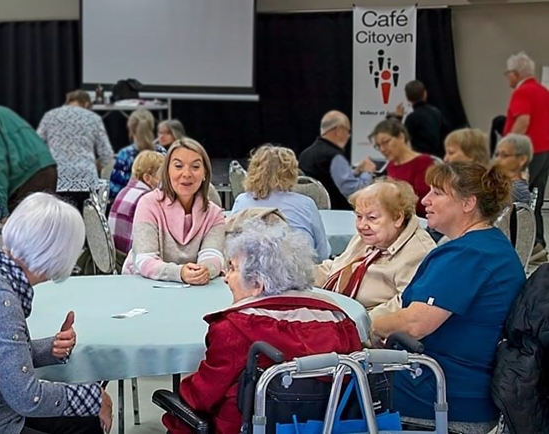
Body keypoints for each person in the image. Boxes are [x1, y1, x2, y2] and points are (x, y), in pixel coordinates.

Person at [162, 219, 362, 434]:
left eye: (233, 269)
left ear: (257, 284)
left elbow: (202, 395)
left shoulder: (235, 328)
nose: (226, 278)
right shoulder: (338, 319)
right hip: (330, 427)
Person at [0, 193, 112, 434]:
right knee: (88, 414)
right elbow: (27, 397)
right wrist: (95, 397)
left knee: (85, 418)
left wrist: (50, 349)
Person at [372, 162, 524, 432]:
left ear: (468, 203)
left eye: (438, 192)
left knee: (326, 387)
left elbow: (415, 324)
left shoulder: (467, 255)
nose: (425, 200)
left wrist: (365, 326)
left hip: (441, 392)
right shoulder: (494, 246)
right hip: (466, 387)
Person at [316, 179, 435, 319]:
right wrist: (300, 277)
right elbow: (336, 267)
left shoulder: (418, 252)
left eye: (372, 218)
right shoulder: (369, 237)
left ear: (398, 218)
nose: (362, 226)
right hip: (333, 308)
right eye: (359, 216)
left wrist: (358, 322)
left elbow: (403, 305)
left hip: (365, 322)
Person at [122, 138, 225, 284]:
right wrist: (179, 273)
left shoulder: (215, 214)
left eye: (195, 167)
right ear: (167, 171)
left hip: (195, 289)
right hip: (143, 285)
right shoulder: (148, 204)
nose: (186, 174)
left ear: (205, 173)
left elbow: (213, 253)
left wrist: (204, 270)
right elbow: (145, 259)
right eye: (178, 166)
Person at [232, 144, 331, 262]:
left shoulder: (241, 201)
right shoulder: (307, 204)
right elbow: (322, 253)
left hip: (250, 269)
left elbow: (229, 244)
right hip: (297, 270)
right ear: (292, 173)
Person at [38, 90, 114, 212]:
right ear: (86, 103)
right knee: (81, 220)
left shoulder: (50, 116)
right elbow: (106, 153)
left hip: (56, 177)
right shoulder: (93, 118)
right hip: (85, 178)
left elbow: (37, 145)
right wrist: (97, 165)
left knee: (57, 219)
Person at [503, 52, 549, 252]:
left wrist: (507, 151)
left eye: (508, 74)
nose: (508, 78)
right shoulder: (543, 91)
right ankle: (537, 243)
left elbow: (522, 122)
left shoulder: (522, 92)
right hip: (544, 152)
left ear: (515, 73)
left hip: (526, 154)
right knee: (535, 199)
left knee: (516, 199)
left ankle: (519, 246)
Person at [299, 111, 376, 210]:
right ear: (339, 130)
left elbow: (327, 178)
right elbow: (355, 192)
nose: (348, 136)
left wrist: (355, 172)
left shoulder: (305, 154)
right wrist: (368, 172)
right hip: (337, 214)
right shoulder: (334, 157)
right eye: (348, 132)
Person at [371, 119, 435, 217]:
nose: (382, 149)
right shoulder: (391, 165)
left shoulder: (423, 162)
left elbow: (423, 200)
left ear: (401, 137)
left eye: (386, 142)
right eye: (378, 146)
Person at [108, 150, 165, 254]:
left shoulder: (124, 191)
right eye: (162, 176)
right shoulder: (146, 199)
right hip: (129, 258)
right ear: (147, 178)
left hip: (114, 254)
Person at [109, 109, 166, 199]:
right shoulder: (162, 152)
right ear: (152, 127)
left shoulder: (125, 155)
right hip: (160, 201)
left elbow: (114, 190)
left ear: (131, 129)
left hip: (131, 202)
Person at [395, 80, 449, 158]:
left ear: (407, 98)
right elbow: (446, 133)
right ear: (425, 94)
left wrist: (398, 118)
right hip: (438, 158)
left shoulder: (411, 118)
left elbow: (400, 138)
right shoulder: (436, 112)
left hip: (419, 158)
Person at [495, 133, 533, 205]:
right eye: (497, 155)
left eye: (505, 155)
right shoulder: (504, 184)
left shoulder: (516, 190)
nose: (497, 160)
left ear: (522, 159)